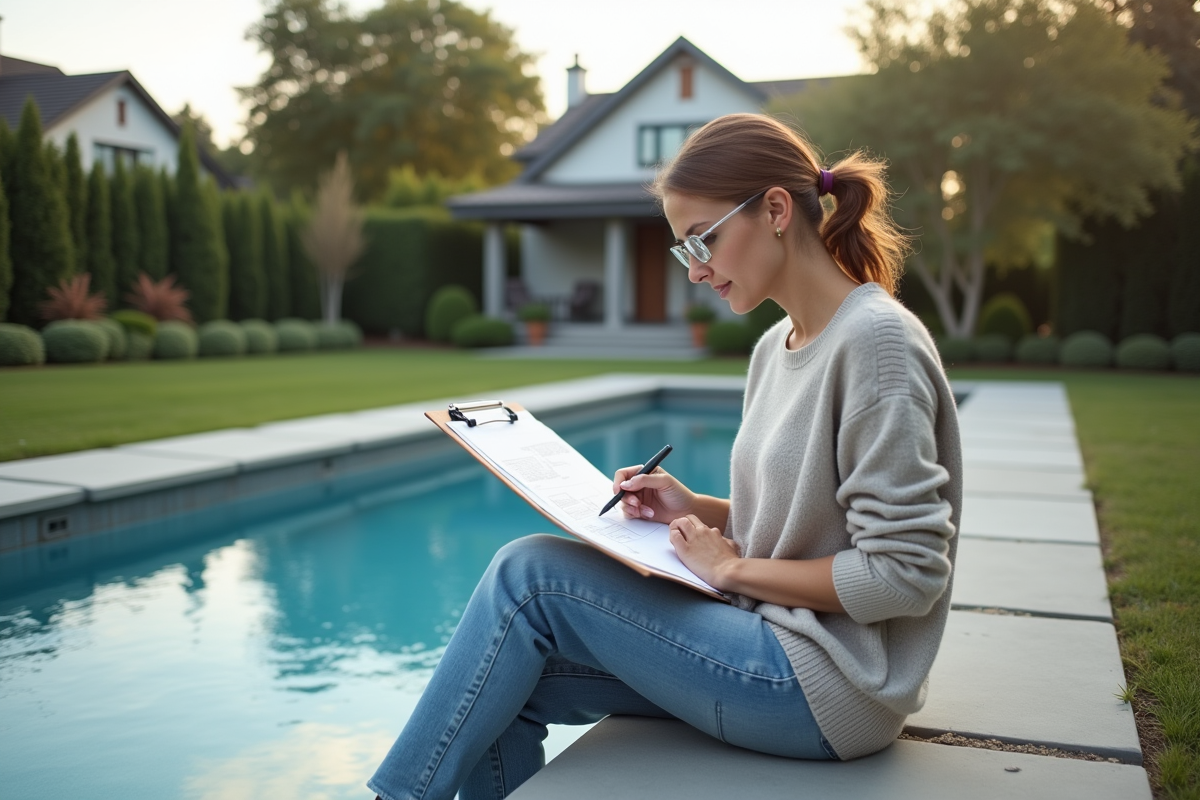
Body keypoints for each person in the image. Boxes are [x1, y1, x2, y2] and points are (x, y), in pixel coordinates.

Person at [368, 113, 962, 800]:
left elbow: (902, 573)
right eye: (686, 252)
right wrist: (693, 507)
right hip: (768, 647)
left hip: (827, 685)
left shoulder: (876, 344)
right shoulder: (776, 348)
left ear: (774, 209)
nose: (698, 270)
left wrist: (732, 567)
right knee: (499, 677)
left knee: (528, 573)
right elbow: (808, 522)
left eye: (702, 240)